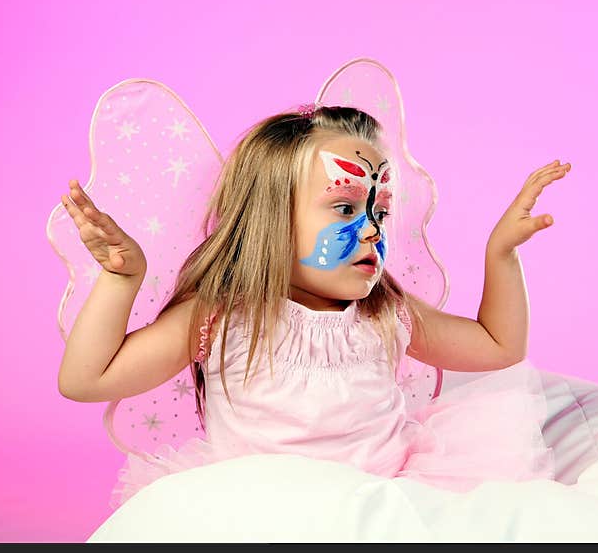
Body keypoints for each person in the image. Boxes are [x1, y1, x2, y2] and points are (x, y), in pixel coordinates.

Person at [57, 103, 567, 510]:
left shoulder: (385, 313)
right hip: (262, 516)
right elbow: (86, 381)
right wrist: (122, 278)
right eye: (345, 208)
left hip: (383, 510)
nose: (372, 229)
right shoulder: (220, 316)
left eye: (380, 210)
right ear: (270, 220)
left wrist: (500, 252)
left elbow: (499, 347)